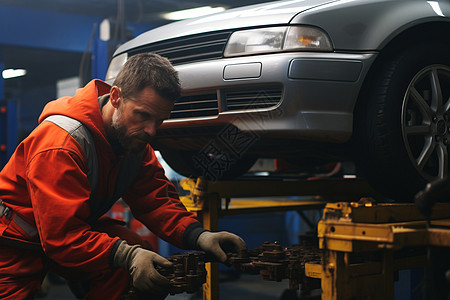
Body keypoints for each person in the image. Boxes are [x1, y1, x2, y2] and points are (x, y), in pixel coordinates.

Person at [0, 52, 247, 299]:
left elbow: (155, 200)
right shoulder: (62, 143)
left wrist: (199, 236)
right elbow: (61, 236)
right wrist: (127, 255)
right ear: (116, 97)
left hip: (68, 232)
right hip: (14, 243)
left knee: (135, 263)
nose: (151, 131)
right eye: (142, 115)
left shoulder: (133, 144)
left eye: (159, 120)